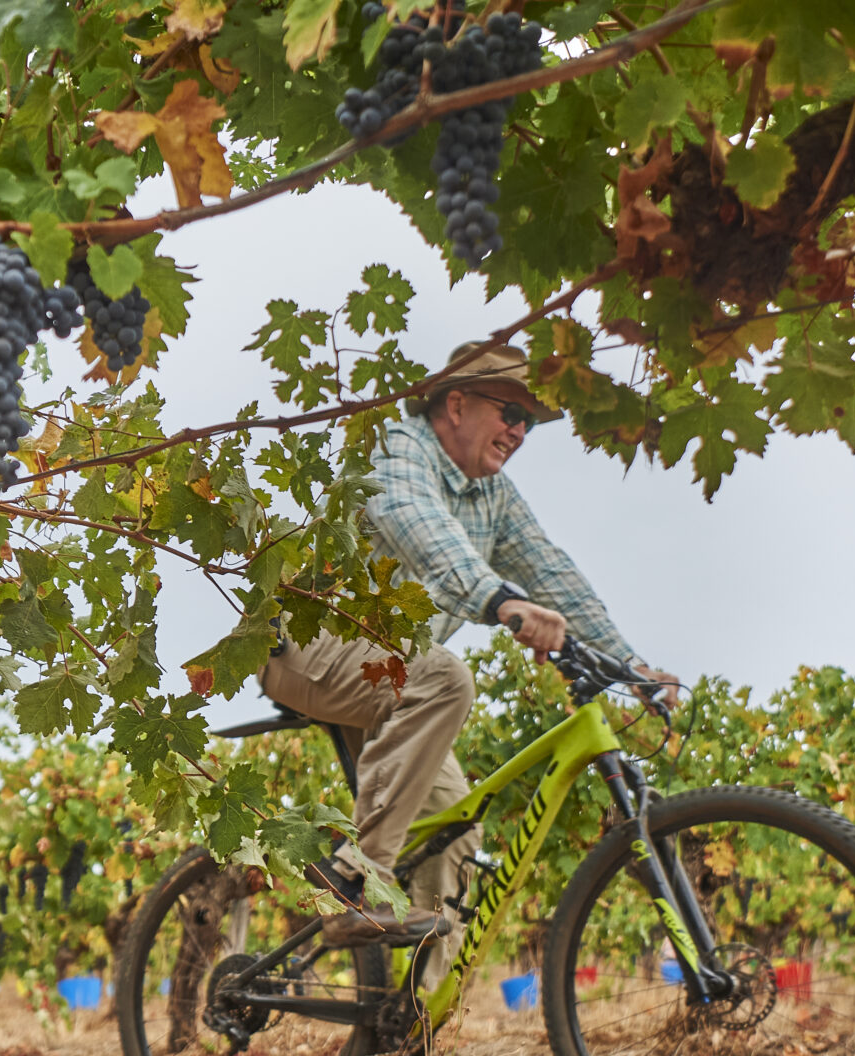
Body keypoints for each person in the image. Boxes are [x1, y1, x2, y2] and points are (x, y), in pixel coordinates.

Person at [261, 341, 678, 964]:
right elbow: (418, 525)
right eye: (511, 411)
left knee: (456, 829)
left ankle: (411, 1038)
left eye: (530, 423)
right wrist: (501, 601)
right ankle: (353, 879)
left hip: (388, 671)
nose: (519, 431)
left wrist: (630, 665)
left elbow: (552, 572)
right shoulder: (401, 450)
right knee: (446, 678)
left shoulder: (496, 498)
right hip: (306, 643)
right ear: (455, 404)